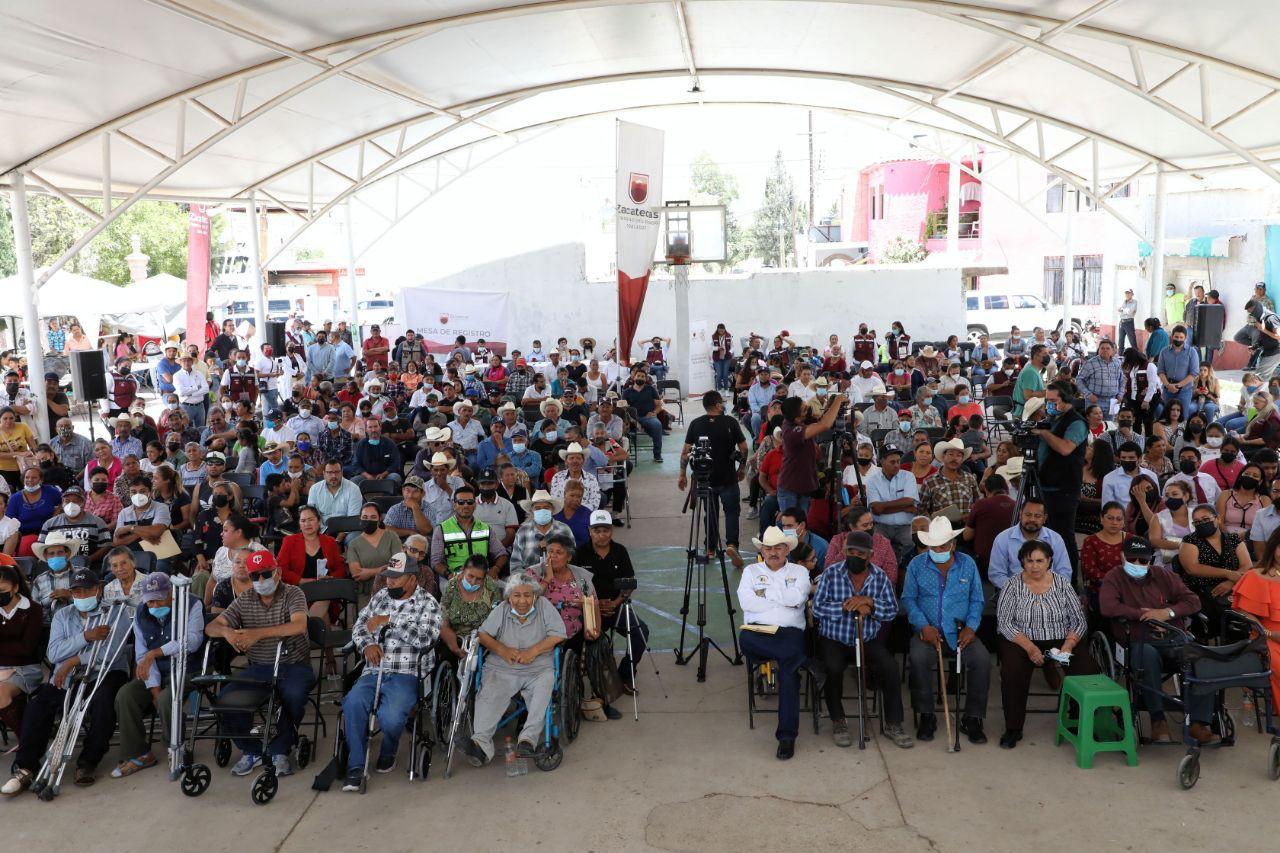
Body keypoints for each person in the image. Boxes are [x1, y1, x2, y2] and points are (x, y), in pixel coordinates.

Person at [2, 567, 130, 794]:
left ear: (97, 589)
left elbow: (110, 654)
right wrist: (85, 637)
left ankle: (88, 761)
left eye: (86, 590)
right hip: (68, 674)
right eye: (76, 592)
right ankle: (26, 767)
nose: (81, 596)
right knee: (38, 705)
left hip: (105, 672)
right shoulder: (63, 615)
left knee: (102, 702)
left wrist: (73, 660)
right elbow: (53, 653)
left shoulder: (114, 613)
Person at [204, 551, 314, 777]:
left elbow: (299, 626)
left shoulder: (294, 593)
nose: (261, 581)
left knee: (292, 695)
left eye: (266, 574)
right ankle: (251, 750)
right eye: (256, 577)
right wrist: (227, 632)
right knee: (226, 698)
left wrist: (256, 635)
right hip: (261, 667)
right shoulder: (246, 599)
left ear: (278, 572)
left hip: (293, 664)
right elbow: (212, 626)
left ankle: (280, 750)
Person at [340, 552, 442, 790]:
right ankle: (356, 767)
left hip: (407, 672)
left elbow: (427, 638)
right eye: (388, 577)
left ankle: (389, 748)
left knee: (391, 719)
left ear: (412, 578)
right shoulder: (380, 598)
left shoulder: (428, 603)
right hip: (374, 670)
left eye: (397, 578)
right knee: (352, 704)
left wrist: (391, 621)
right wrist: (368, 645)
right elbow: (360, 627)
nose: (390, 582)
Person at [1099, 536, 1215, 743]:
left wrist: (1166, 613)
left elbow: (1193, 601)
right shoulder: (1114, 577)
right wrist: (1141, 614)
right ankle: (1158, 719)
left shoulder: (1162, 575)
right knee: (1147, 655)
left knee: (1202, 658)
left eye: (1143, 561)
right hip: (1138, 641)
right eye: (1132, 559)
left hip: (1173, 638)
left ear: (1150, 560)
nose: (1137, 564)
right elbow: (1108, 607)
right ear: (1122, 557)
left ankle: (1199, 722)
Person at [812, 531, 913, 749]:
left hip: (866, 638)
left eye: (860, 553)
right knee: (832, 668)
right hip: (835, 638)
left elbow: (892, 610)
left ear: (870, 555)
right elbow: (818, 608)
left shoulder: (879, 577)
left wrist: (870, 603)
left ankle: (893, 723)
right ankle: (838, 721)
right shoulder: (831, 574)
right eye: (850, 552)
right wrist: (846, 605)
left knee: (890, 668)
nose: (854, 556)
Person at [996, 540, 1096, 748]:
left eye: (1040, 560)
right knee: (1012, 671)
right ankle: (1013, 728)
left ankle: (1078, 720)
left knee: (1086, 669)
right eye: (1029, 561)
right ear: (1022, 562)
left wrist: (1068, 646)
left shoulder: (1061, 583)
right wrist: (1031, 648)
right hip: (1022, 640)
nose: (1034, 566)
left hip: (1060, 638)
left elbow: (1078, 620)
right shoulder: (1012, 585)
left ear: (1049, 561)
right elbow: (1005, 623)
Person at [462, 571, 567, 766]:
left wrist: (533, 651)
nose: (522, 601)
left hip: (538, 669)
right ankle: (481, 744)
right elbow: (483, 635)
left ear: (535, 596)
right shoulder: (502, 609)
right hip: (503, 666)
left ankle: (527, 740)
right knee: (490, 694)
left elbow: (558, 635)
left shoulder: (544, 607)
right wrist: (502, 649)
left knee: (544, 688)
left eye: (527, 595)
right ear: (509, 597)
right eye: (517, 595)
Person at [900, 517, 989, 744]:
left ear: (953, 544)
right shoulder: (916, 565)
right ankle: (926, 715)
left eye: (942, 546)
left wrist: (971, 628)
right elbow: (908, 599)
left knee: (982, 660)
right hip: (928, 632)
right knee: (919, 659)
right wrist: (923, 626)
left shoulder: (967, 563)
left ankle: (973, 718)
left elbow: (977, 600)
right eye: (933, 546)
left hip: (961, 631)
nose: (937, 550)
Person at [110, 573, 204, 778]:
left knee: (166, 699)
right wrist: (153, 689)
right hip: (158, 671)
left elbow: (193, 641)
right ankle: (138, 754)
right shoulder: (141, 613)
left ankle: (175, 747)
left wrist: (157, 652)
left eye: (159, 598)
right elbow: (143, 656)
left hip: (188, 668)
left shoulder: (191, 603)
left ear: (170, 593)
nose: (153, 604)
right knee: (126, 695)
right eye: (150, 600)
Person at [735, 527, 811, 760]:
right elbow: (747, 603)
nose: (773, 552)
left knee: (788, 673)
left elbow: (798, 598)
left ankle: (786, 737)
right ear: (762, 550)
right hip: (757, 633)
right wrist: (782, 599)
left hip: (789, 633)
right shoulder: (750, 571)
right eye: (768, 548)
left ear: (787, 549)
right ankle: (797, 659)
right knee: (787, 659)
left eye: (778, 547)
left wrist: (765, 595)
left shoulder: (799, 571)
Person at [678, 390, 749, 549]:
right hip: (728, 478)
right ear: (718, 405)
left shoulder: (696, 423)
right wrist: (742, 468)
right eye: (722, 403)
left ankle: (710, 548)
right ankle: (732, 545)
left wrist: (682, 475)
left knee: (710, 514)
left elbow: (685, 452)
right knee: (731, 513)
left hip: (705, 479)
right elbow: (743, 448)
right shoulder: (730, 422)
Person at [1179, 504, 1251, 631]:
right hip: (1202, 590)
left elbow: (1247, 565)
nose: (1201, 523)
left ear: (1217, 519)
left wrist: (1231, 582)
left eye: (1206, 519)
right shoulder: (1190, 540)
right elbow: (1192, 568)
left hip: (1234, 587)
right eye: (1197, 522)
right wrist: (1227, 574)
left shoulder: (1233, 539)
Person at [1232, 533, 1280, 713]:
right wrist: (1268, 633)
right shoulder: (1255, 576)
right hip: (1265, 635)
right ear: (1273, 548)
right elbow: (1245, 613)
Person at [986, 497, 1072, 589]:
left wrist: (1049, 591)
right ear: (1020, 515)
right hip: (1014, 594)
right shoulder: (1003, 538)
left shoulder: (1055, 539)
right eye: (1028, 515)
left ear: (1044, 518)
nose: (1032, 519)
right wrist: (1020, 591)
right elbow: (996, 574)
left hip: (1050, 593)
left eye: (1037, 516)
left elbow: (1064, 571)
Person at [0, 558, 43, 737]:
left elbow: (27, 648)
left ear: (15, 587)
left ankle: (26, 740)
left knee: (0, 692)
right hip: (2, 667)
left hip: (26, 668)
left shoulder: (33, 610)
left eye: (2, 590)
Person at [430, 484, 508, 579]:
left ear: (475, 505)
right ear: (454, 505)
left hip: (482, 577)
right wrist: (449, 575)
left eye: (470, 502)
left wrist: (495, 569)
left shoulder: (485, 528)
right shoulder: (441, 529)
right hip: (454, 576)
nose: (466, 505)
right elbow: (435, 562)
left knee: (508, 590)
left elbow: (502, 554)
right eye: (461, 502)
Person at [863, 446, 918, 560]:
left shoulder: (908, 476)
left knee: (912, 546)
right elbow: (876, 509)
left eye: (898, 461)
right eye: (892, 462)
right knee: (878, 548)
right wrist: (904, 507)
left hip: (905, 526)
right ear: (882, 461)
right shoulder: (872, 481)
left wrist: (884, 506)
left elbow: (910, 501)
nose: (897, 465)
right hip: (881, 526)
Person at [276, 505, 347, 586]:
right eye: (303, 521)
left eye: (311, 519)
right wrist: (300, 581)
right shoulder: (289, 541)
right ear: (299, 524)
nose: (307, 524)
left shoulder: (330, 541)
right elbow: (280, 568)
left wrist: (331, 578)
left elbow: (340, 567)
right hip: (298, 588)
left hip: (325, 587)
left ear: (319, 521)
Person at [509, 490, 574, 575]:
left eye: (546, 508)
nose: (542, 511)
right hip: (529, 583)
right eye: (537, 508)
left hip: (559, 583)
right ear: (532, 511)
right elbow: (515, 565)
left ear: (552, 510)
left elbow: (571, 561)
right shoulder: (523, 532)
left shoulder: (564, 530)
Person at [919, 438, 980, 521]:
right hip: (942, 530)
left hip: (967, 528)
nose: (954, 458)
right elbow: (922, 509)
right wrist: (933, 522)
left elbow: (978, 503)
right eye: (951, 454)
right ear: (943, 456)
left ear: (962, 460)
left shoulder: (970, 478)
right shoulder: (930, 481)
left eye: (959, 455)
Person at [345, 503, 403, 584]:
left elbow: (398, 565)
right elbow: (356, 574)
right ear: (360, 519)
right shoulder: (353, 544)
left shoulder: (392, 536)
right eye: (365, 517)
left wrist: (369, 572)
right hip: (367, 592)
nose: (368, 520)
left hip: (391, 585)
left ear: (379, 519)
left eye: (373, 517)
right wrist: (380, 569)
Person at [1156, 324, 1199, 419]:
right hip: (1168, 389)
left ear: (1185, 338)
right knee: (1168, 415)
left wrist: (1178, 385)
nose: (1178, 339)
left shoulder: (1192, 352)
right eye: (1176, 337)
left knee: (1182, 416)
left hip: (1184, 390)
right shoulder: (1164, 351)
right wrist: (1168, 385)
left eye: (1181, 337)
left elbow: (1194, 373)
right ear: (1172, 336)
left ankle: (1181, 434)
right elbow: (1160, 371)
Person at [621, 373, 664, 463]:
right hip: (632, 419)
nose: (640, 378)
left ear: (646, 379)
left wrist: (654, 412)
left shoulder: (651, 389)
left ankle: (657, 454)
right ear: (634, 377)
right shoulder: (627, 392)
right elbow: (622, 408)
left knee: (657, 425)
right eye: (638, 376)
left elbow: (659, 405)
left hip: (647, 417)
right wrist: (630, 419)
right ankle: (624, 456)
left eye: (642, 376)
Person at [306, 459, 362, 526]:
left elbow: (353, 518)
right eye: (329, 472)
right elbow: (312, 515)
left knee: (354, 535)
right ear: (324, 474)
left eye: (337, 472)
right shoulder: (314, 489)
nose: (333, 476)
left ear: (342, 472)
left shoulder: (353, 489)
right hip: (322, 530)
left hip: (346, 529)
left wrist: (340, 536)